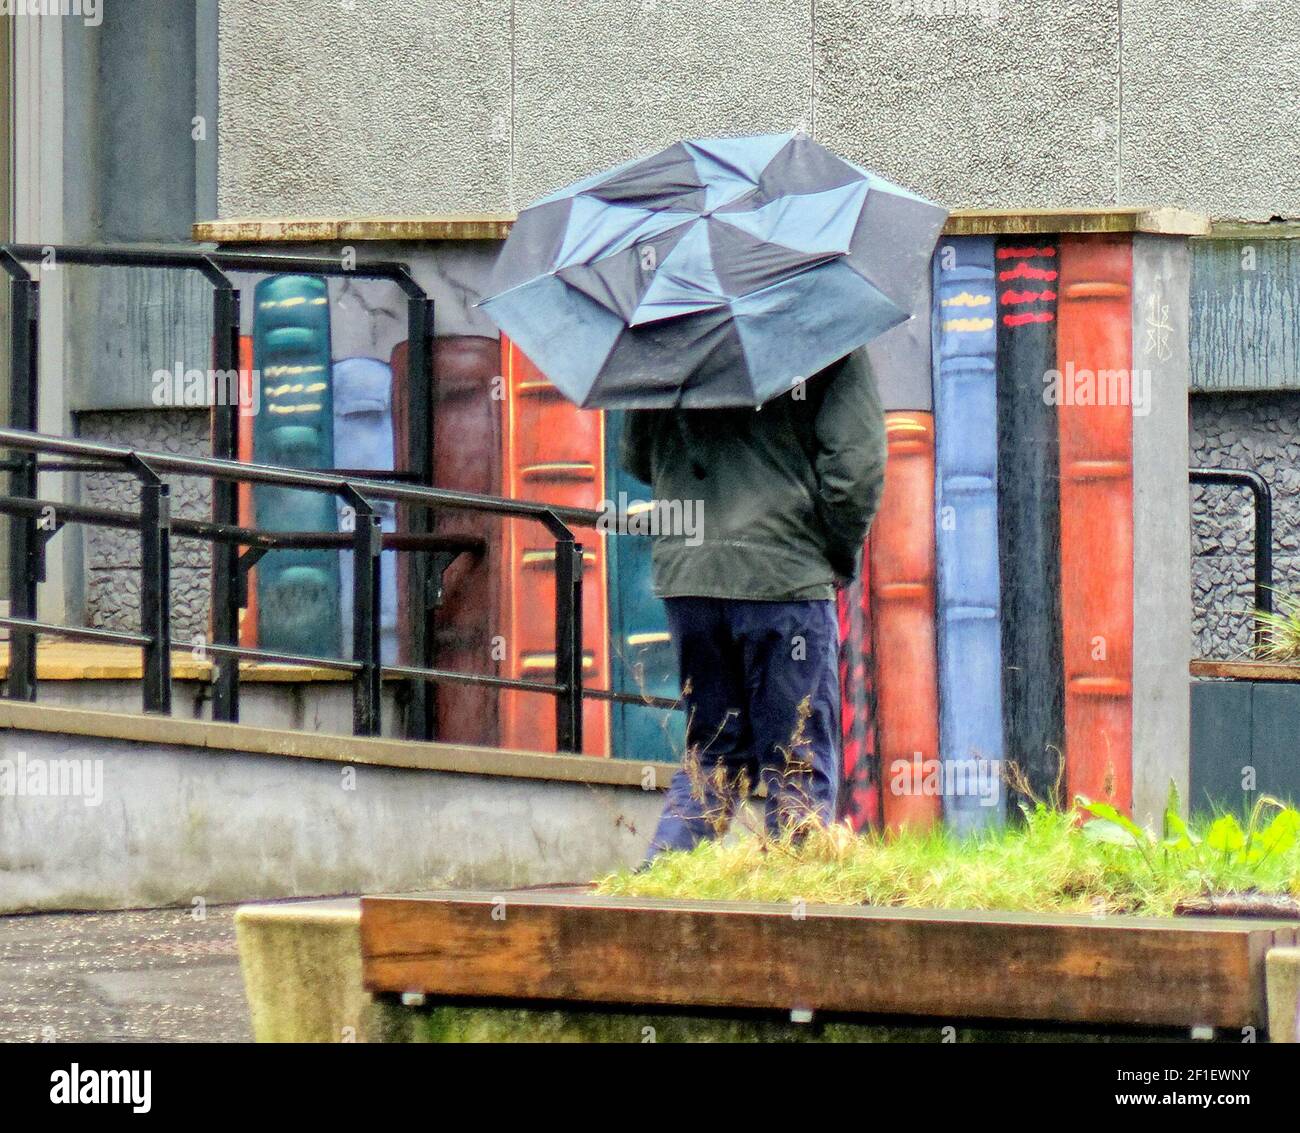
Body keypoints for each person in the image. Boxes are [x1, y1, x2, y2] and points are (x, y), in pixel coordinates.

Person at [620, 347, 887, 857]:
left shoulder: (669, 330)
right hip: (783, 579)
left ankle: (660, 890)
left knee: (714, 755)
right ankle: (793, 909)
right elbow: (857, 469)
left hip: (690, 579)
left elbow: (636, 455)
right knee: (797, 759)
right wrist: (831, 554)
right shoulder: (826, 333)